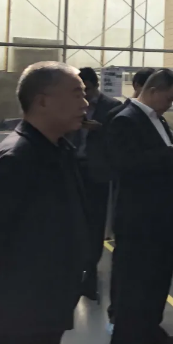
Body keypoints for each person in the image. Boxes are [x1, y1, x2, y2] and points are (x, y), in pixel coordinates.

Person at [0, 62, 90, 344]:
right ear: (42, 102)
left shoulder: (59, 150)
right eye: (76, 94)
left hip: (49, 304)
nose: (85, 103)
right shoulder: (15, 161)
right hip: (20, 315)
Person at [107, 69, 173, 344]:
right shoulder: (126, 120)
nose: (170, 104)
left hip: (161, 219)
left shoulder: (157, 119)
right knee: (135, 286)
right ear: (153, 91)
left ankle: (151, 333)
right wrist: (170, 152)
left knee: (156, 283)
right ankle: (129, 340)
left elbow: (156, 156)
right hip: (140, 222)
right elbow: (125, 164)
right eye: (169, 99)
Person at [103, 66, 156, 328]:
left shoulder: (153, 117)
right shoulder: (121, 116)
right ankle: (119, 314)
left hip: (146, 207)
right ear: (138, 87)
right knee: (126, 264)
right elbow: (123, 161)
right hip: (132, 203)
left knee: (140, 268)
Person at [72, 67, 121, 301]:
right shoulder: (73, 105)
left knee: (95, 223)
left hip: (97, 173)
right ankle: (77, 268)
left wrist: (99, 130)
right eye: (80, 91)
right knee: (75, 220)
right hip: (74, 169)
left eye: (88, 89)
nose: (85, 95)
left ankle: (90, 271)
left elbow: (117, 140)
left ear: (96, 85)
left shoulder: (111, 107)